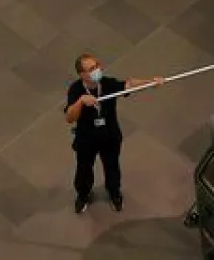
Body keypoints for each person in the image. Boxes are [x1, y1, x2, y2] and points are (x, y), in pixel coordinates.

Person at [63, 52, 162, 214]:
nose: (97, 70)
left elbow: (129, 84)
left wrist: (151, 82)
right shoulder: (75, 89)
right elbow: (69, 117)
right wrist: (81, 102)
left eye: (96, 66)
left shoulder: (107, 83)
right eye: (91, 69)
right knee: (83, 168)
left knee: (112, 166)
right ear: (82, 74)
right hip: (86, 139)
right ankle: (83, 194)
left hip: (109, 136)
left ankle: (114, 192)